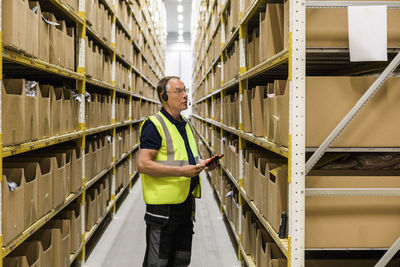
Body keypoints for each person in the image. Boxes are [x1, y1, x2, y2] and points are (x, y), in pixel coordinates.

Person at [137, 76, 217, 267]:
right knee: (158, 262)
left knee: (181, 260)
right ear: (164, 96)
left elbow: (185, 157)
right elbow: (143, 164)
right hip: (163, 210)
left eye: (185, 90)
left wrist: (202, 163)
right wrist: (182, 172)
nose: (185, 96)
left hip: (185, 205)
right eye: (179, 91)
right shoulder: (153, 125)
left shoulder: (185, 123)